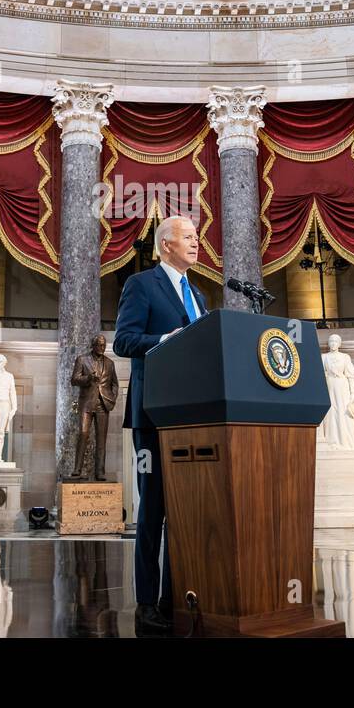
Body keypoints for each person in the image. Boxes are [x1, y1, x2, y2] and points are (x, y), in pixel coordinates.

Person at [113, 214, 207, 636]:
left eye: (196, 236)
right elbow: (124, 341)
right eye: (188, 237)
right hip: (153, 414)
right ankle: (149, 600)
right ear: (165, 244)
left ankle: (176, 594)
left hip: (193, 415)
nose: (196, 242)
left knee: (185, 509)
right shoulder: (142, 285)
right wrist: (163, 341)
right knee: (153, 508)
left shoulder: (200, 295)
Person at [70, 334, 120, 481]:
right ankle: (77, 469)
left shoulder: (110, 363)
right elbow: (74, 380)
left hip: (103, 404)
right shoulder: (82, 359)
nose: (102, 348)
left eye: (104, 345)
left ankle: (100, 472)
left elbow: (115, 384)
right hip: (86, 404)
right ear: (93, 345)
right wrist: (88, 378)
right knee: (83, 434)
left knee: (101, 439)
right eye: (99, 345)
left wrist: (112, 397)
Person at [319, 334, 354, 449]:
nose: (333, 343)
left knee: (343, 412)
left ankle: (345, 441)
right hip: (329, 386)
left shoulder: (345, 357)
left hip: (342, 387)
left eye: (335, 341)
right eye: (331, 341)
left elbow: (351, 376)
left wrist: (353, 393)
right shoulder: (323, 357)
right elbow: (320, 374)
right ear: (328, 344)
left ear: (339, 343)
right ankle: (331, 441)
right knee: (330, 413)